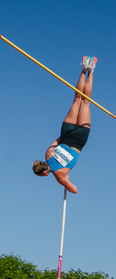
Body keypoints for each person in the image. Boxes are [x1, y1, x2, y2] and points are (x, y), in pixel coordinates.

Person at [32, 56, 97, 194]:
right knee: (77, 99)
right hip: (67, 131)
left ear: (44, 173)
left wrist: (66, 181)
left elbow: (75, 191)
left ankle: (91, 71)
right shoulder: (48, 153)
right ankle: (84, 69)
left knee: (86, 101)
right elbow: (58, 139)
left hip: (79, 139)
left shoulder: (59, 176)